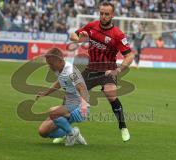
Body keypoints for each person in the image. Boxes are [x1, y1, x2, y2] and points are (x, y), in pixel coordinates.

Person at [69, 1, 134, 142]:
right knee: (72, 96)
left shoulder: (118, 34)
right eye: (101, 13)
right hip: (91, 68)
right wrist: (80, 39)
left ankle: (123, 127)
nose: (103, 16)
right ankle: (66, 130)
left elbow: (130, 55)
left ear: (112, 15)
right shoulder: (92, 26)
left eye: (106, 14)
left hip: (107, 70)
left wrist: (119, 69)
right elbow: (73, 36)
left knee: (111, 94)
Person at [36, 47, 90, 146]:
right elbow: (60, 82)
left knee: (53, 112)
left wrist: (84, 106)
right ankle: (73, 133)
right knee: (43, 131)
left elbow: (82, 88)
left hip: (79, 106)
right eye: (48, 64)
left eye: (51, 64)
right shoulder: (58, 69)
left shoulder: (71, 71)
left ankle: (71, 133)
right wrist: (46, 93)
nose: (50, 67)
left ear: (60, 61)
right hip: (69, 105)